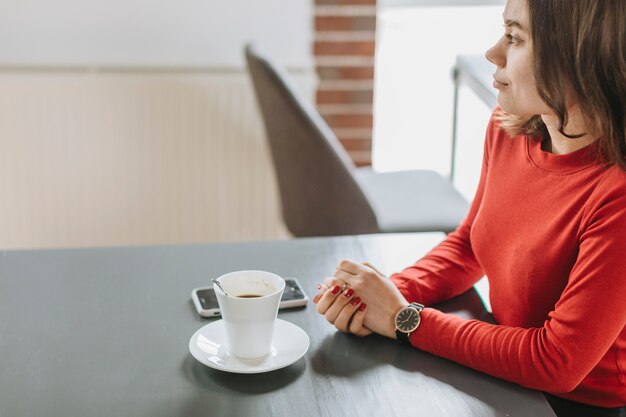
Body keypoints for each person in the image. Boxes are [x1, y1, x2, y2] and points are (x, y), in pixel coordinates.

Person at [313, 1, 626, 416]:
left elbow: (556, 363)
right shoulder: (510, 128)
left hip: (572, 405)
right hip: (501, 371)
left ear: (577, 57)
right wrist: (381, 295)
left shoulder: (616, 194)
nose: (493, 52)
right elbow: (469, 246)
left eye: (514, 37)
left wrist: (404, 318)